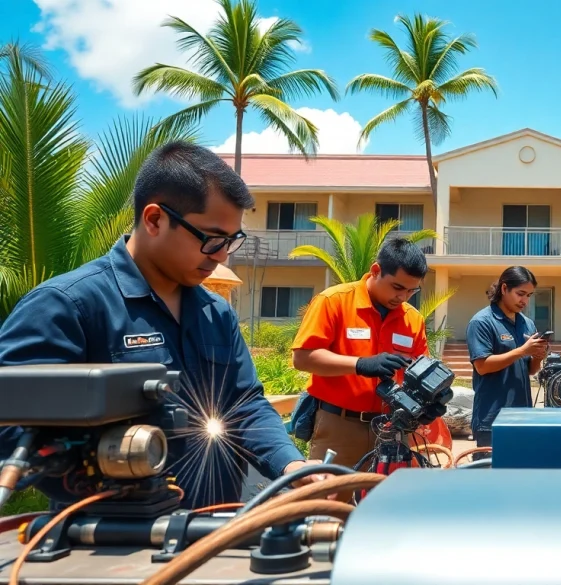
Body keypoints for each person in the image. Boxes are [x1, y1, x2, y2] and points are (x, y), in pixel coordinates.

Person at [0, 142, 322, 511]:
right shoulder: (67, 306)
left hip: (212, 531)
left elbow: (243, 403)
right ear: (154, 219)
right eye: (211, 239)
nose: (220, 256)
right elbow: (14, 432)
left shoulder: (215, 313)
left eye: (232, 241)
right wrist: (110, 465)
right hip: (107, 545)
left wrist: (292, 464)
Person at [290, 238, 429, 468]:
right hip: (339, 427)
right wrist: (360, 364)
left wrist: (427, 404)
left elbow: (422, 371)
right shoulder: (334, 302)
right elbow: (303, 357)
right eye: (397, 287)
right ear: (376, 270)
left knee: (387, 502)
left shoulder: (413, 319)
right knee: (330, 500)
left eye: (411, 291)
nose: (403, 297)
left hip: (392, 429)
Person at [465, 266, 548, 453]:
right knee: (490, 480)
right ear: (504, 289)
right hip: (491, 419)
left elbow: (530, 370)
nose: (525, 301)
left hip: (521, 417)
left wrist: (537, 356)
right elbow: (482, 366)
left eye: (529, 295)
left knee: (520, 479)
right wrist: (521, 351)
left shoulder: (527, 323)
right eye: (521, 294)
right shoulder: (482, 322)